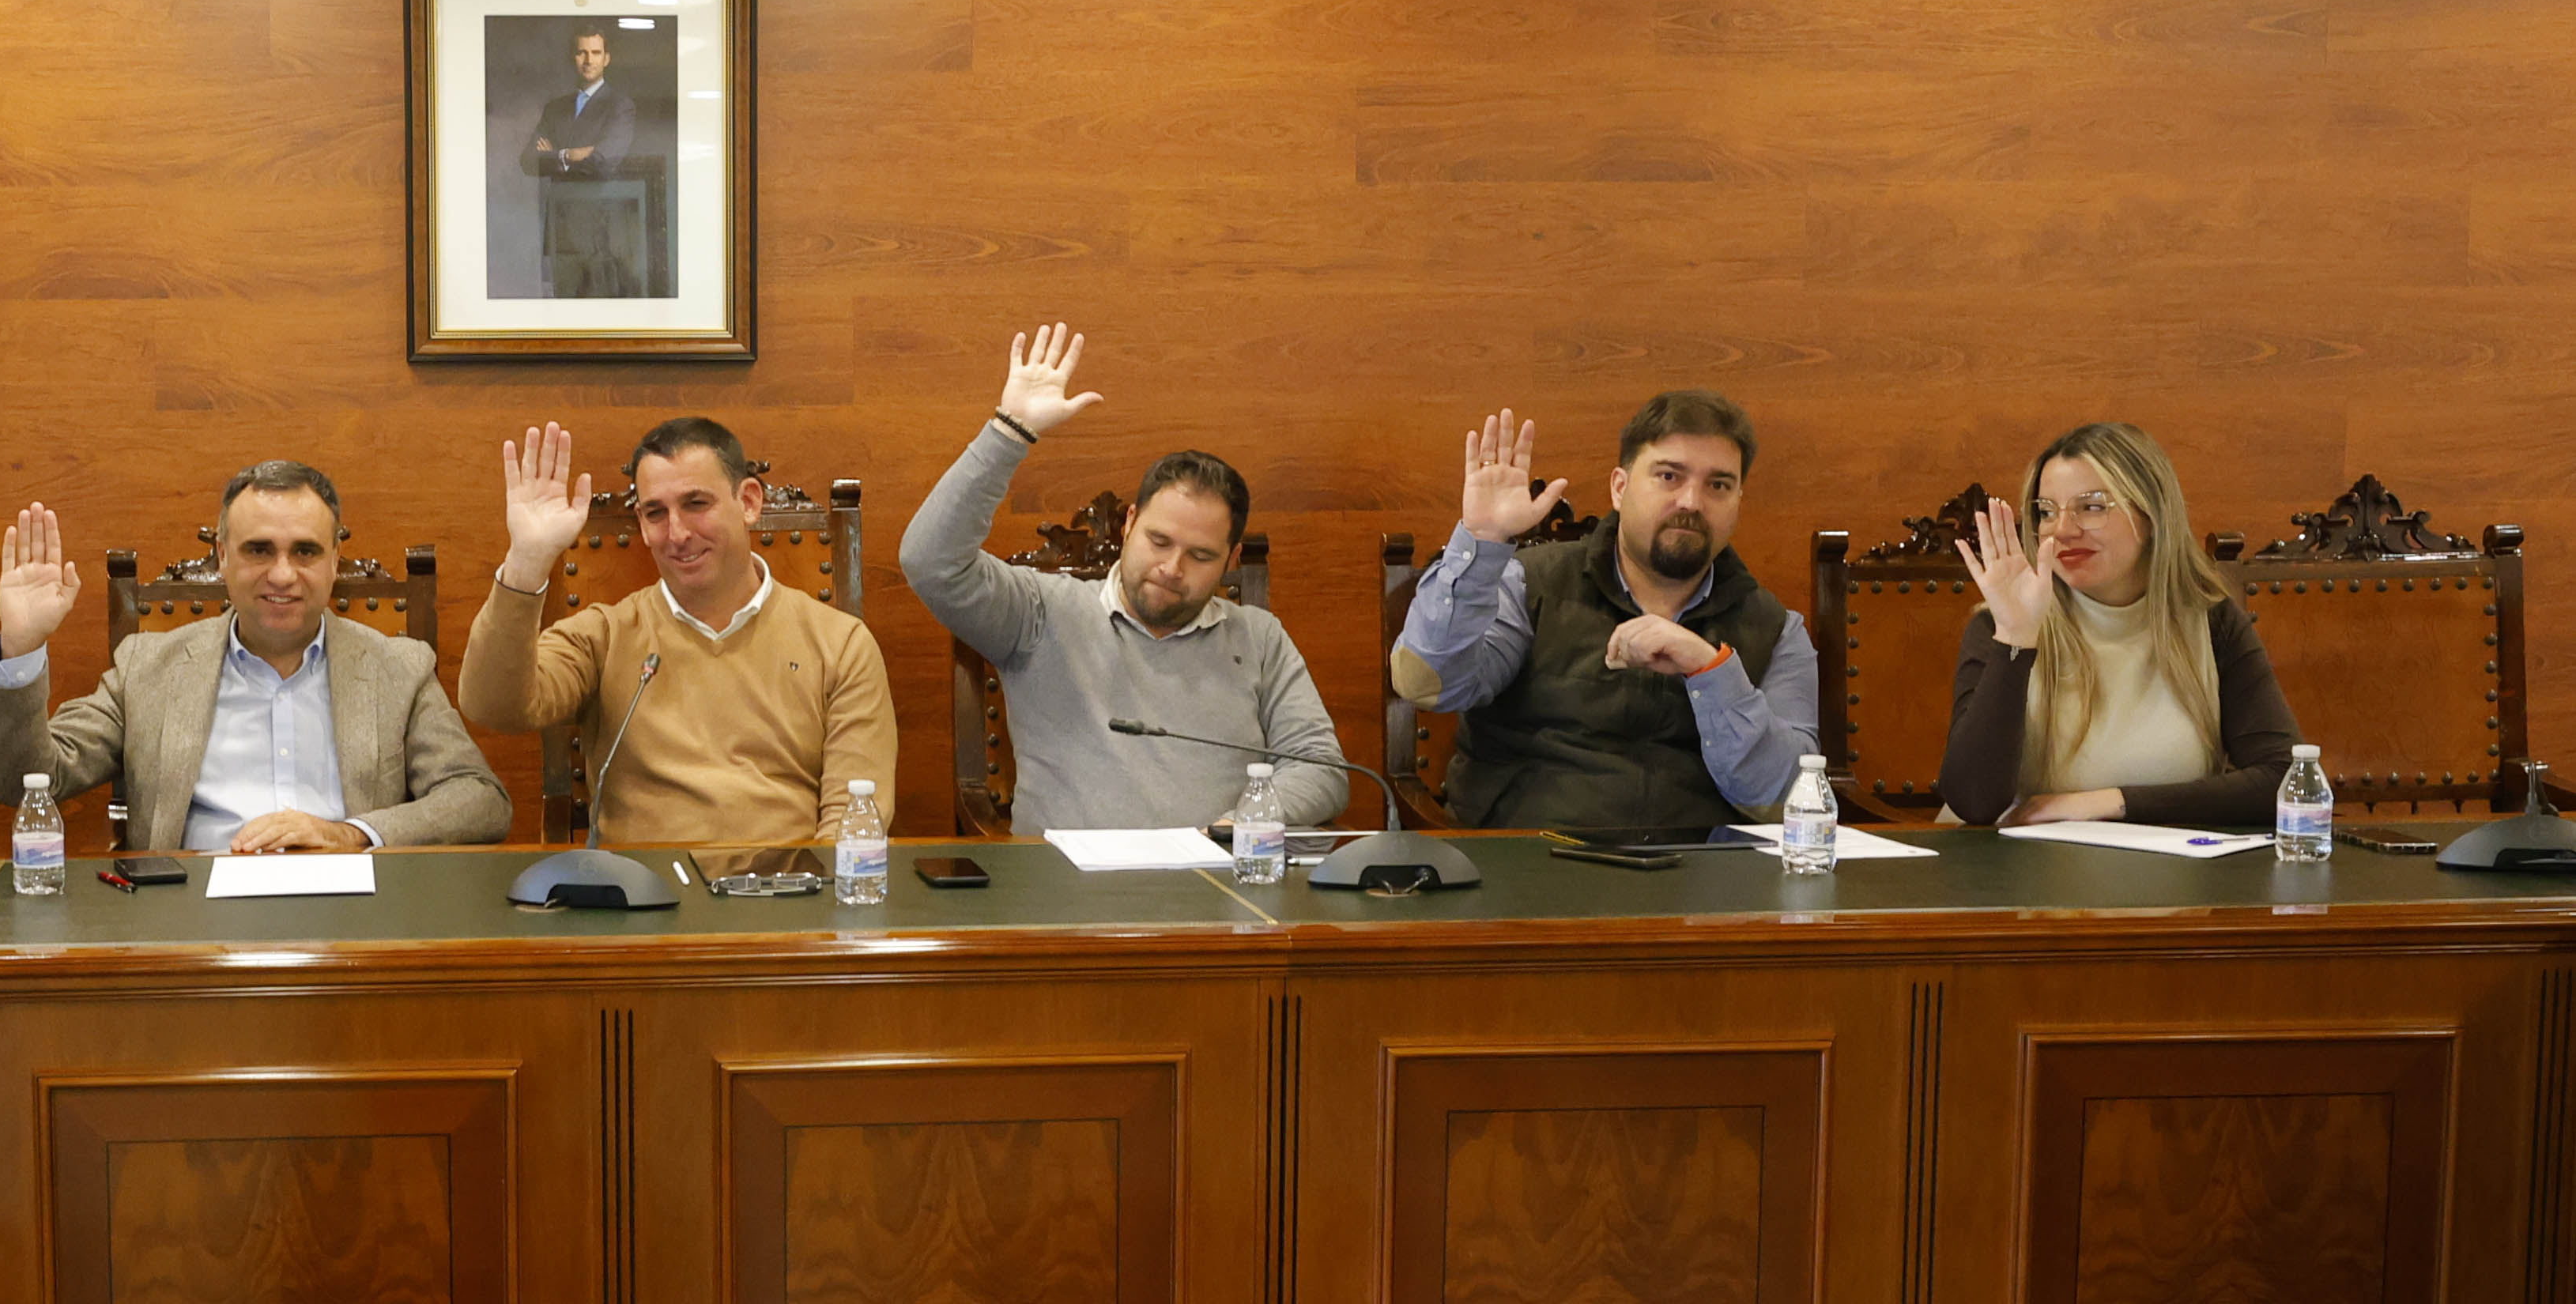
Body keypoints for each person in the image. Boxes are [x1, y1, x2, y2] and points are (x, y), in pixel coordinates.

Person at [901, 324, 1346, 838]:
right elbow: (929, 560)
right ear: (1130, 523)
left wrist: (1239, 827)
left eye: (1200, 555)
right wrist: (1009, 433)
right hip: (1068, 882)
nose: (1172, 568)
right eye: (1159, 541)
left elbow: (1322, 769)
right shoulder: (1039, 611)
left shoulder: (1259, 638)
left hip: (1217, 876)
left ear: (1232, 559)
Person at [0, 459, 508, 852]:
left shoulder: (399, 668)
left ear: (333, 562)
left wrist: (351, 834)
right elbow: (24, 778)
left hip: (352, 917)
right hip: (190, 922)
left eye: (305, 551)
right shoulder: (148, 667)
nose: (283, 574)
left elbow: (480, 799)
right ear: (222, 557)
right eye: (259, 550)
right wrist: (21, 646)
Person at [460, 415, 896, 845]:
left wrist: (813, 888)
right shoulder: (606, 635)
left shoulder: (839, 644)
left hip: (785, 884)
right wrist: (527, 561)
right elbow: (492, 705)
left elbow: (853, 820)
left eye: (696, 504)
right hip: (639, 885)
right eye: (656, 513)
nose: (678, 533)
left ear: (748, 502)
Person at [1397, 391, 1816, 830]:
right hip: (1528, 855)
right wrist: (1482, 543)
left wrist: (1710, 671)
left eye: (1718, 485)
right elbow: (1431, 684)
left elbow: (1789, 797)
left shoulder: (1776, 629)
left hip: (1701, 864)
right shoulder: (1528, 584)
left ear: (1737, 502)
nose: (1692, 502)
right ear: (1620, 487)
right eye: (1669, 476)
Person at [1941, 422, 2299, 828]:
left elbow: (2285, 779)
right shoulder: (2001, 624)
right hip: (2016, 866)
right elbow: (1974, 803)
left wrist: (2109, 803)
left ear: (2151, 514)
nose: (2062, 531)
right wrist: (2015, 638)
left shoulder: (2212, 622)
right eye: (2047, 512)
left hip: (2161, 866)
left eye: (2092, 507)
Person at [519, 27, 637, 185]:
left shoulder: (620, 106)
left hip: (599, 199)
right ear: (573, 58)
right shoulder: (554, 108)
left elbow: (603, 162)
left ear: (606, 59)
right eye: (582, 53)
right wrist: (569, 155)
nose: (589, 60)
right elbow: (528, 161)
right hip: (558, 199)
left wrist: (554, 156)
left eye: (596, 53)